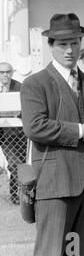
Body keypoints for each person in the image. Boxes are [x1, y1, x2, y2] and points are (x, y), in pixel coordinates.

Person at [20, 13, 84, 256]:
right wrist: (81, 131)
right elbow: (35, 127)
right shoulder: (34, 84)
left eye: (74, 42)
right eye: (62, 44)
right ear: (50, 45)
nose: (70, 49)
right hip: (54, 186)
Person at [0, 62, 26, 204]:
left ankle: (16, 196)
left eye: (7, 72)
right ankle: (23, 194)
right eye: (2, 72)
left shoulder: (19, 87)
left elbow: (25, 108)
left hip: (18, 133)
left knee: (17, 163)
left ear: (12, 72)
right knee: (14, 163)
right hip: (3, 134)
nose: (5, 75)